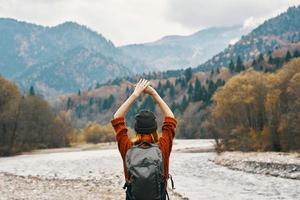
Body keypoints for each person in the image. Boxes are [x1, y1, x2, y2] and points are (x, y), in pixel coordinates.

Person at [111, 78, 177, 200]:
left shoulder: (128, 147)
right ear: (154, 129)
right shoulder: (162, 147)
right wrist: (154, 94)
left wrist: (135, 95)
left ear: (136, 129)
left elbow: (117, 117)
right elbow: (170, 118)